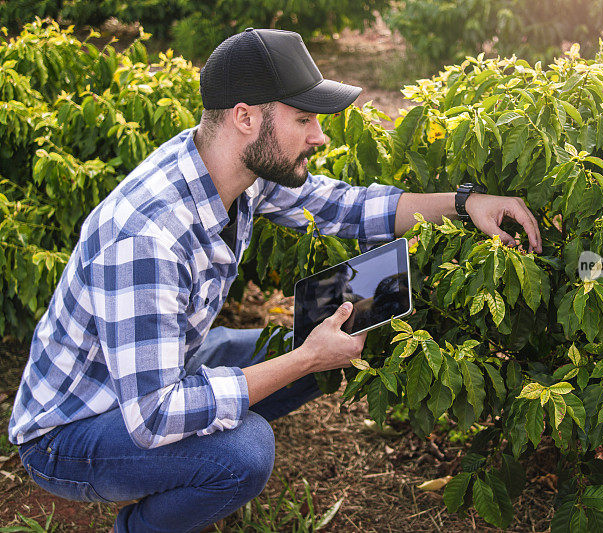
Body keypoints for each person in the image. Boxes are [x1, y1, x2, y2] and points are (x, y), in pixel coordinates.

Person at [8, 28, 543, 532]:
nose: (320, 135)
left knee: (347, 315)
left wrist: (465, 202)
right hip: (76, 429)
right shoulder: (146, 239)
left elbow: (348, 207)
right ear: (246, 117)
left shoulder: (235, 167)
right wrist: (307, 357)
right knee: (245, 451)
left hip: (168, 364)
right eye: (304, 119)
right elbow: (154, 414)